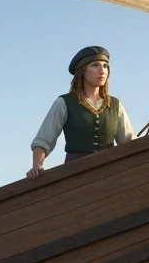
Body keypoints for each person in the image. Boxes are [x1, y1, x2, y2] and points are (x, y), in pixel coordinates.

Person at [27, 46, 136, 179]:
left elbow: (129, 142)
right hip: (75, 173)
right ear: (82, 71)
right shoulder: (64, 102)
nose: (102, 70)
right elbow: (44, 140)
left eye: (105, 66)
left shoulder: (115, 105)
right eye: (95, 65)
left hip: (109, 172)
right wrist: (37, 165)